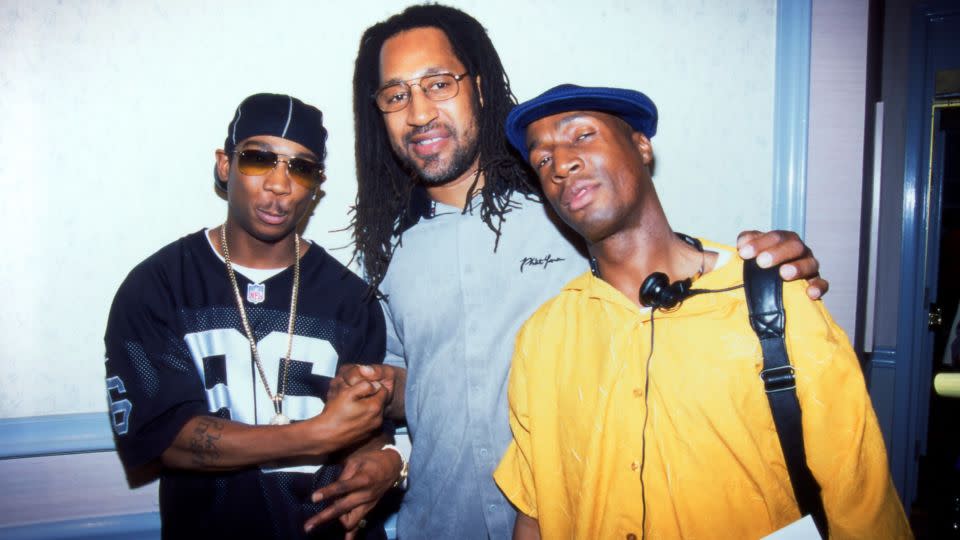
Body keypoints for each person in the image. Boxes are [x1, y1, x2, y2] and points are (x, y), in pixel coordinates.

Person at [310, 5, 830, 538]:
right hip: (439, 522)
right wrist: (376, 390)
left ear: (481, 89)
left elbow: (664, 268)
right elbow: (411, 381)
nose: (418, 113)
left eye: (438, 83)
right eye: (396, 95)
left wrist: (765, 273)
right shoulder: (390, 246)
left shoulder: (565, 204)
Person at [492, 84, 912, 539]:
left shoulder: (778, 302)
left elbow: (861, 503)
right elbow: (534, 511)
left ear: (641, 146)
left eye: (583, 135)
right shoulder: (543, 337)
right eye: (542, 160)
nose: (561, 164)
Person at [103, 93, 393, 539]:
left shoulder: (351, 298)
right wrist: (313, 435)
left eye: (301, 167)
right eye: (259, 159)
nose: (279, 184)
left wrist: (384, 462)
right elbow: (169, 438)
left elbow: (370, 427)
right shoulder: (158, 286)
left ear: (316, 184)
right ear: (225, 165)